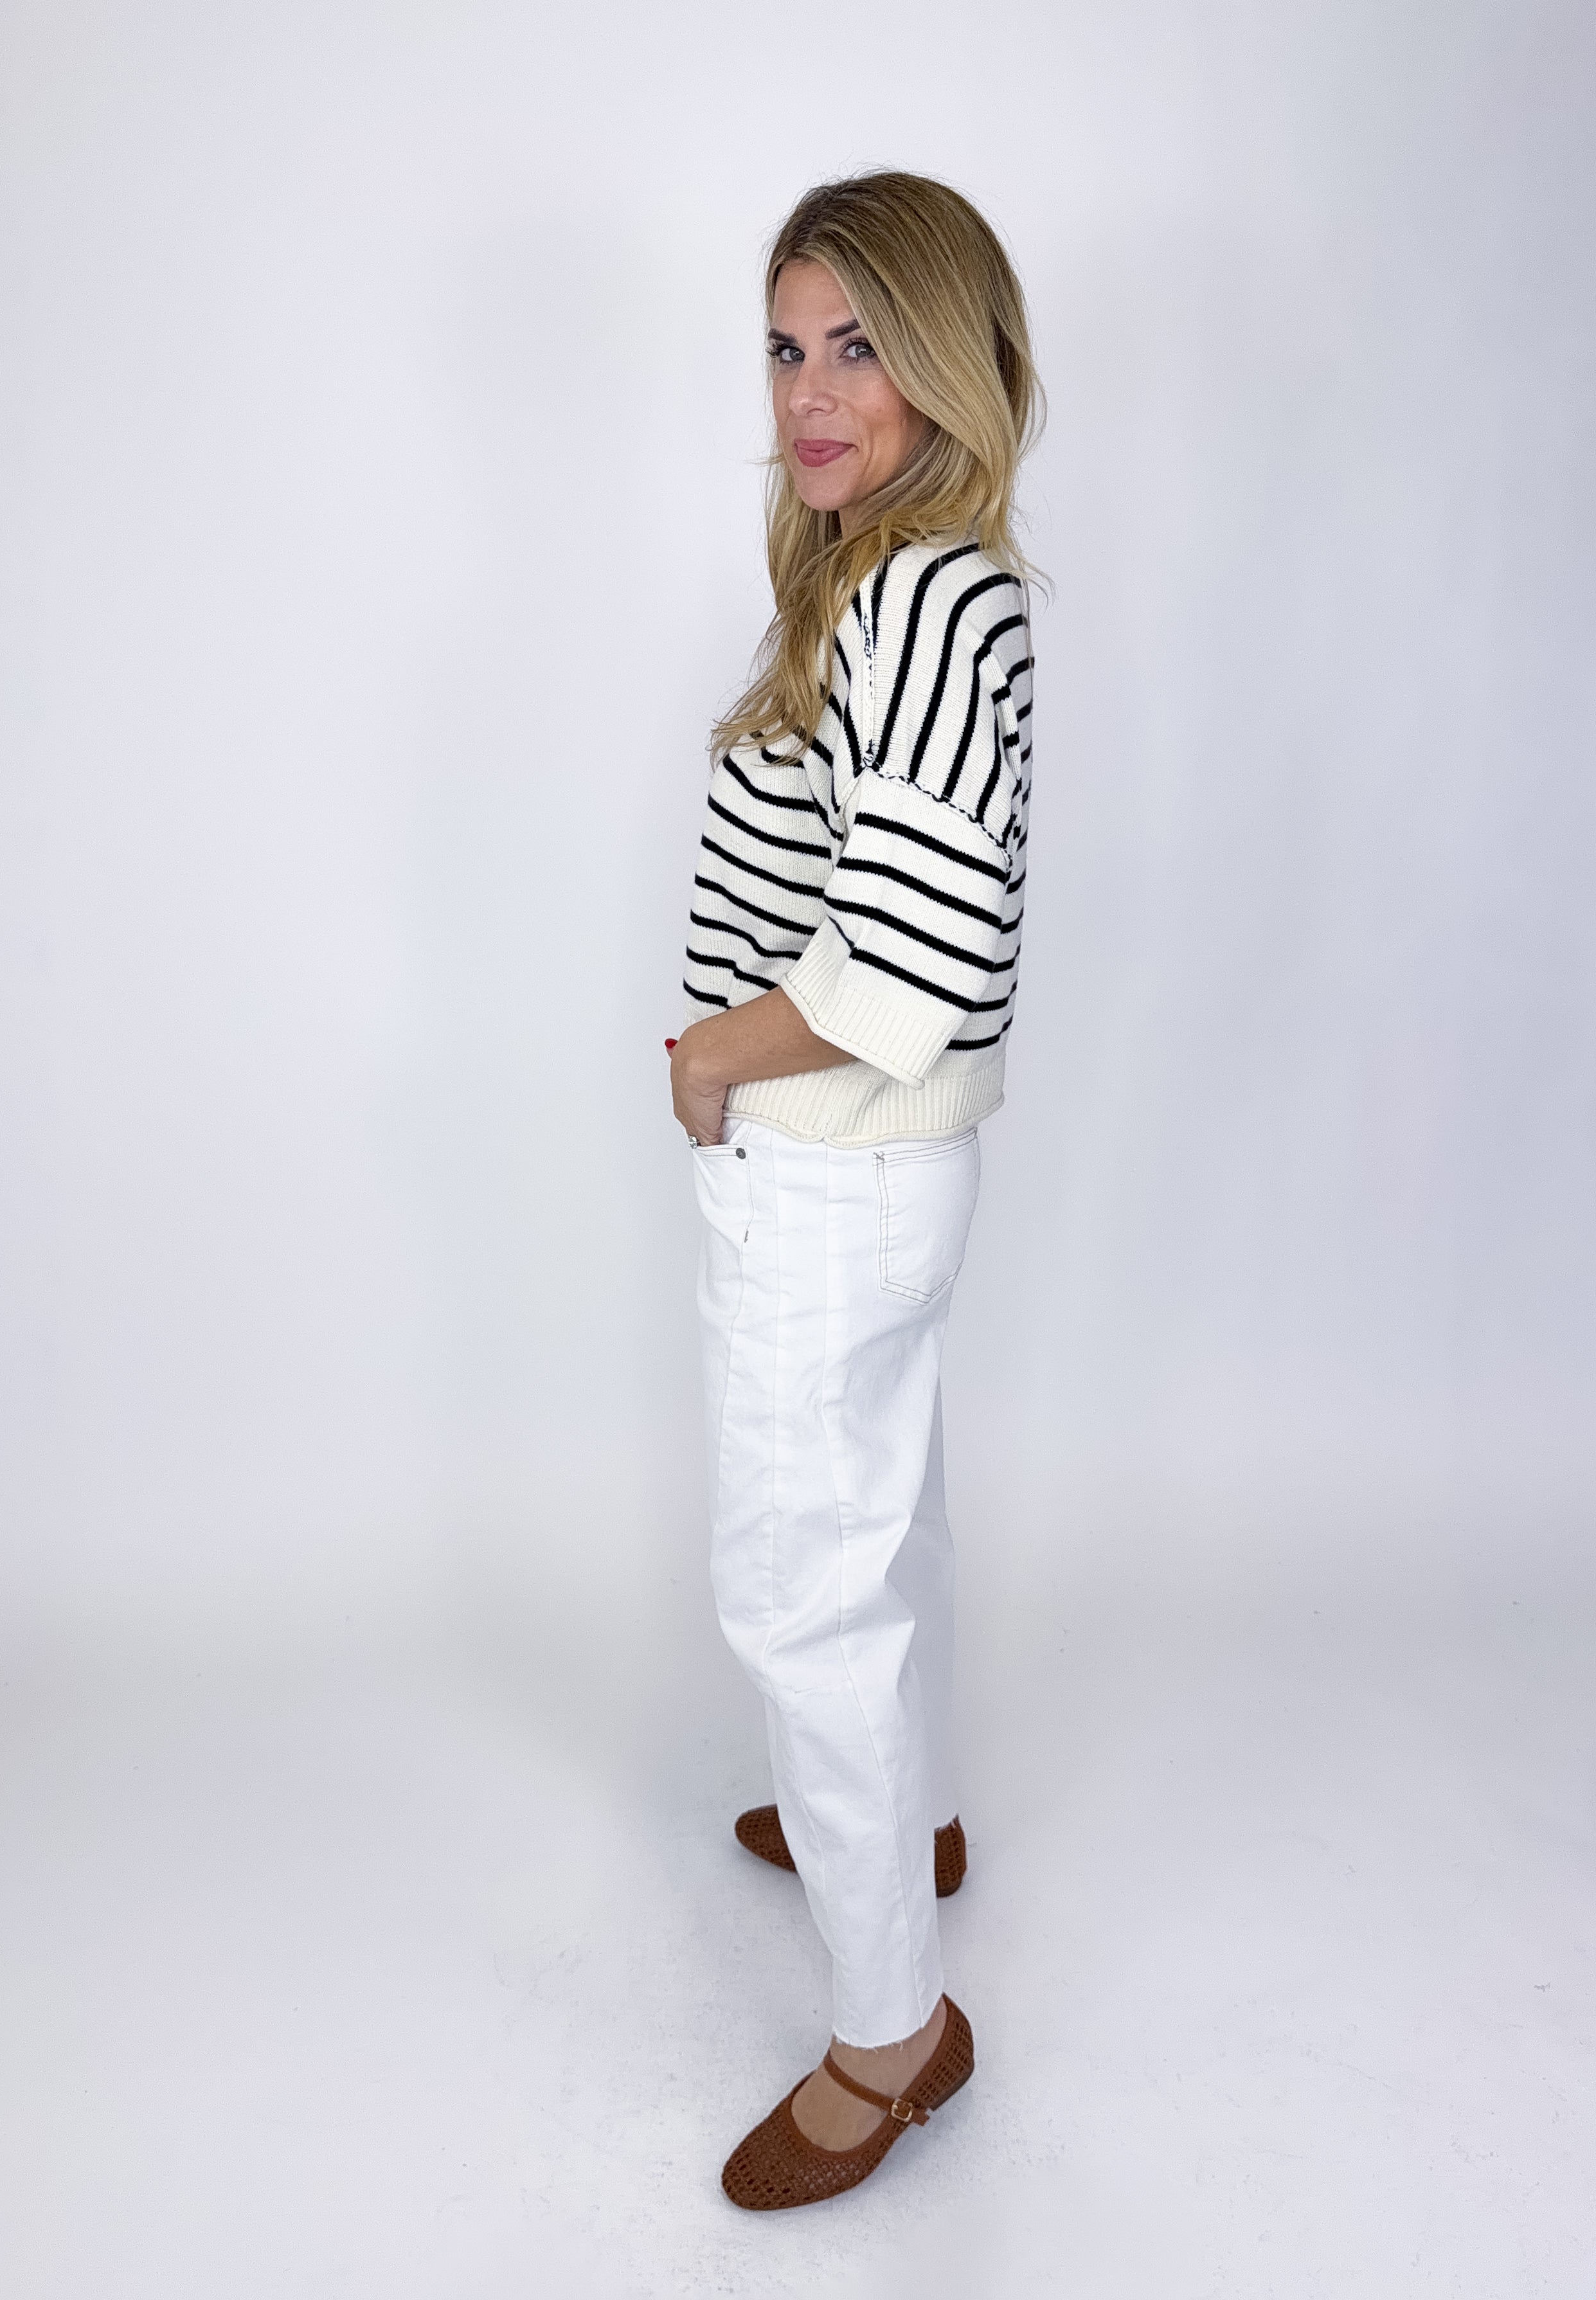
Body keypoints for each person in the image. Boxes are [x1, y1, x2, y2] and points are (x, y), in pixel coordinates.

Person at [668, 170, 1040, 2211]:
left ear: (951, 360)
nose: (811, 392)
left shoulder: (915, 596)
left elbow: (901, 952)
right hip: (874, 1169)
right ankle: (908, 1825)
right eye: (786, 347)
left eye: (861, 344)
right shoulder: (896, 579)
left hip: (830, 1161)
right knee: (880, 1511)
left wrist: (710, 1059)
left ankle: (892, 2031)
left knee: (799, 1580)